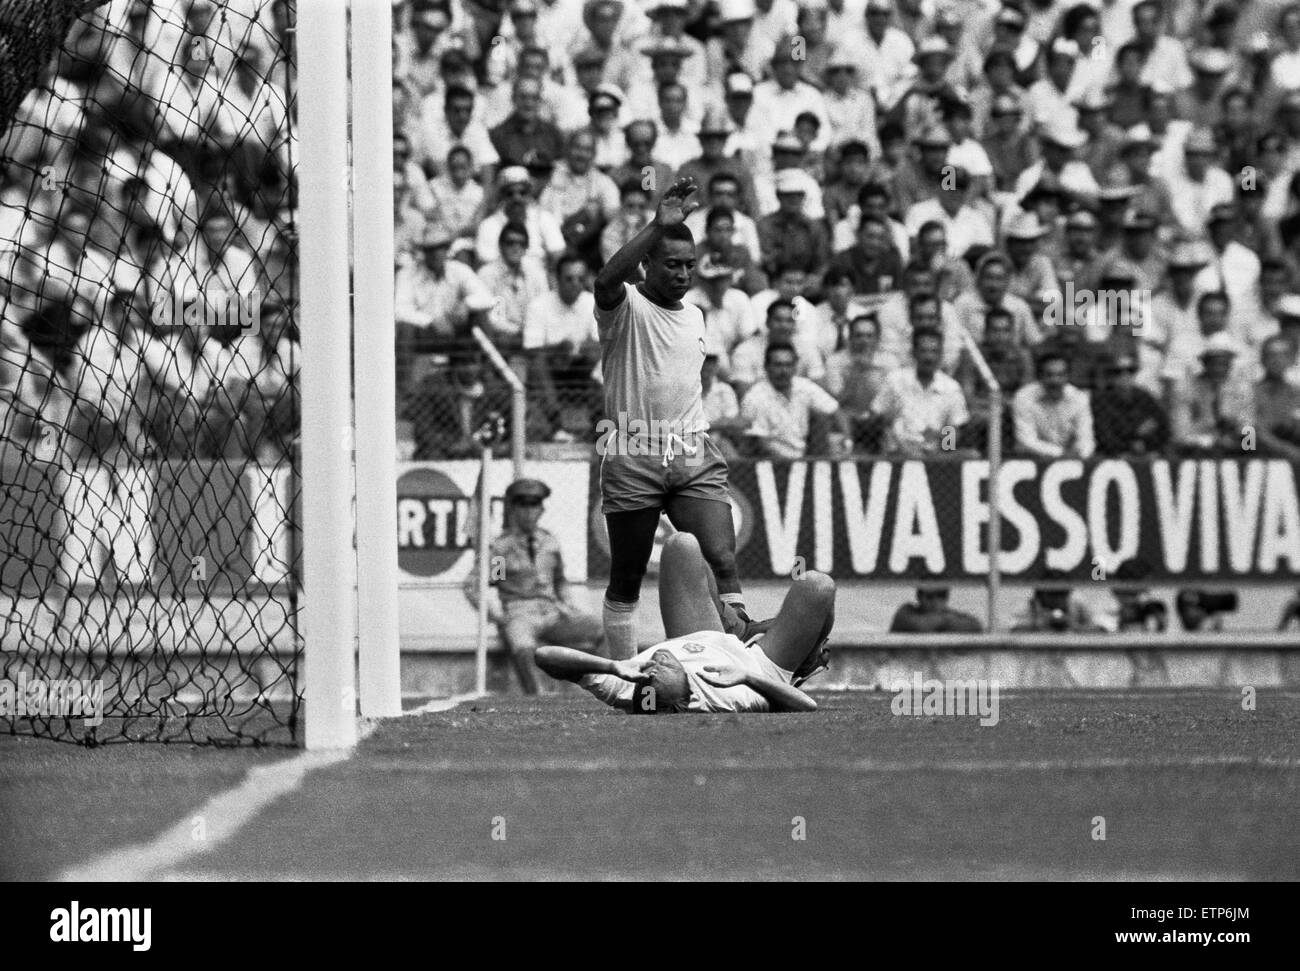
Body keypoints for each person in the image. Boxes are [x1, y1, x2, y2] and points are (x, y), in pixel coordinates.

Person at [592, 176, 763, 660]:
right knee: (627, 576)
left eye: (690, 265)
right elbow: (605, 281)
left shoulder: (696, 316)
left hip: (690, 449)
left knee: (722, 558)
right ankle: (625, 672)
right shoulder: (625, 308)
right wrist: (656, 223)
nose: (683, 274)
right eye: (672, 264)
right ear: (647, 263)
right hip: (632, 449)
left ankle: (737, 659)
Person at [536, 533, 834, 713]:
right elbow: (807, 705)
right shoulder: (727, 694)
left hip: (702, 637)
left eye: (649, 672)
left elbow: (545, 656)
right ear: (683, 695)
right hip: (756, 664)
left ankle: (739, 623)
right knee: (817, 586)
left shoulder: (628, 686)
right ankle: (807, 658)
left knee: (681, 544)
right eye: (661, 673)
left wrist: (611, 667)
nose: (656, 663)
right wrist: (748, 677)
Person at [464, 478, 605, 694]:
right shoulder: (502, 548)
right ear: (513, 509)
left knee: (602, 629)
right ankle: (536, 696)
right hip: (520, 613)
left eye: (534, 505)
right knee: (522, 645)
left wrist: (569, 604)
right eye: (523, 505)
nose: (529, 512)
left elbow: (559, 580)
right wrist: (496, 615)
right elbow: (482, 584)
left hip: (553, 612)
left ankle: (608, 687)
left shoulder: (549, 542)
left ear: (541, 509)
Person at [739, 342, 852, 459]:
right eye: (778, 365)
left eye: (788, 365)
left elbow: (835, 410)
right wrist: (794, 465)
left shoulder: (804, 386)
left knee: (821, 419)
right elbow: (760, 443)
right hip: (770, 461)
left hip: (804, 457)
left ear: (795, 367)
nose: (784, 371)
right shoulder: (755, 397)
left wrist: (848, 441)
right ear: (766, 367)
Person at [1011, 348, 1096, 460]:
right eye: (1049, 375)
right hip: (1034, 457)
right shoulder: (1024, 397)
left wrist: (1082, 454)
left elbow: (1086, 437)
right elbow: (1026, 440)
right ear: (1039, 377)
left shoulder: (1079, 398)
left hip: (1073, 457)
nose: (1055, 381)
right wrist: (1061, 454)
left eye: (1060, 375)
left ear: (1068, 376)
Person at [889, 586, 982, 633]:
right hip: (909, 668)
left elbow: (976, 626)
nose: (936, 601)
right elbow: (921, 626)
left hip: (933, 668)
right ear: (919, 597)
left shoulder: (949, 615)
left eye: (941, 595)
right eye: (930, 596)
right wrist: (946, 621)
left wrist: (943, 621)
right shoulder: (906, 612)